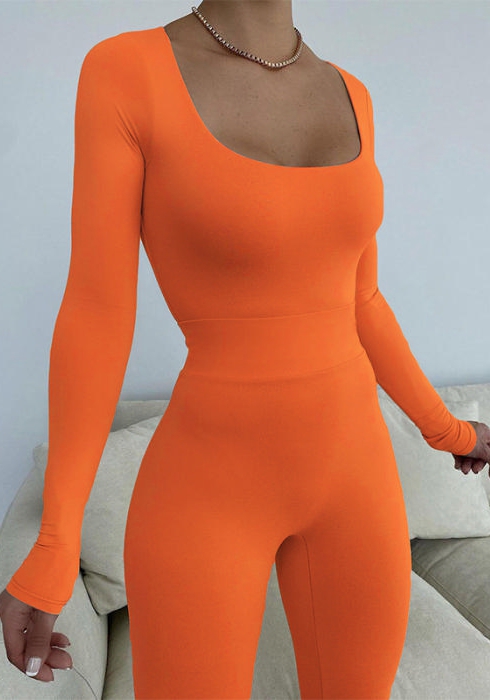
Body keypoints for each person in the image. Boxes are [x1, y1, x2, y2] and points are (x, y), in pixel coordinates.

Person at [1, 1, 490, 697]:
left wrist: (450, 432)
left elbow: (362, 301)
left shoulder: (351, 93)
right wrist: (56, 542)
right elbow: (97, 311)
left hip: (359, 487)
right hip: (208, 492)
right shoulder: (126, 71)